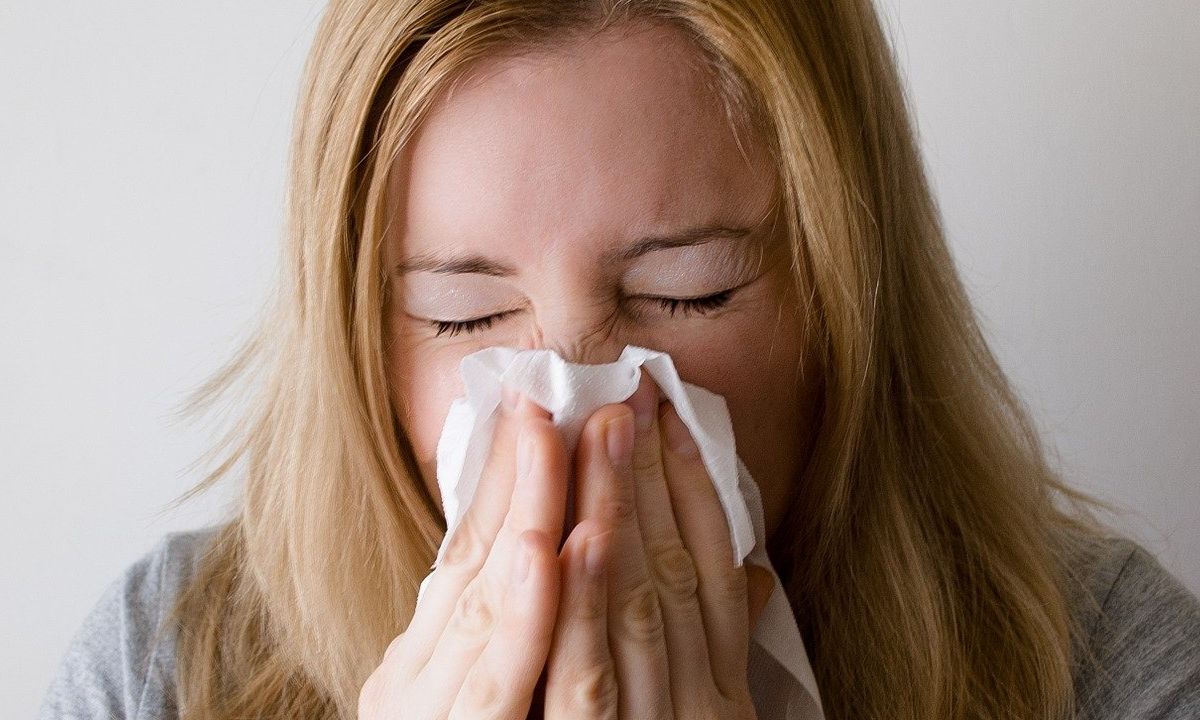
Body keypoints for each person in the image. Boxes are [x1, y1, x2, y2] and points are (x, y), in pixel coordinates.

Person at [37, 1, 1200, 719]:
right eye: (459, 314)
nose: (572, 408)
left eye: (687, 293)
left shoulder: (1099, 665)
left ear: (843, 298)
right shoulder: (166, 668)